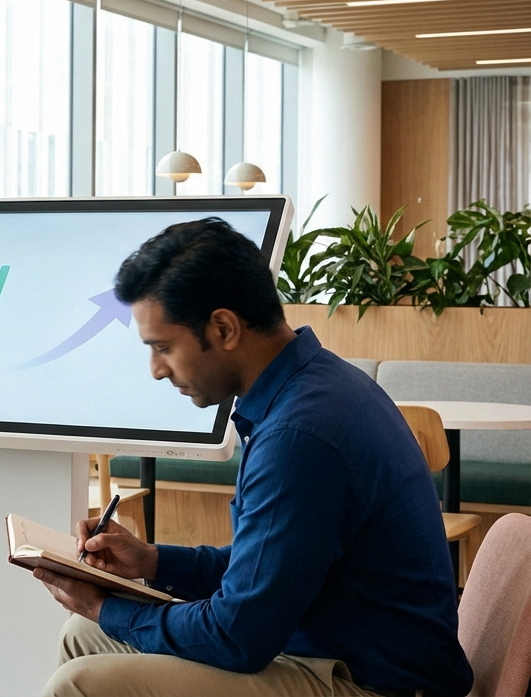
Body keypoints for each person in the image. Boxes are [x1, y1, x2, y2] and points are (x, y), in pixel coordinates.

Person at [34, 218, 472, 697]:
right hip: (327, 645)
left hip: (373, 683)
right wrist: (152, 561)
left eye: (163, 347)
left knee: (80, 683)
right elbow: (266, 569)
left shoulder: (300, 435)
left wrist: (103, 606)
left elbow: (237, 636)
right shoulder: (311, 388)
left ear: (224, 328)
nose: (157, 370)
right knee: (84, 635)